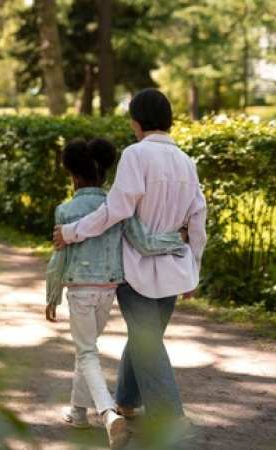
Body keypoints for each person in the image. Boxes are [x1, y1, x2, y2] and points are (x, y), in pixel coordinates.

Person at [53, 88, 207, 444]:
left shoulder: (136, 155)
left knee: (146, 339)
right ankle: (126, 400)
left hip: (136, 268)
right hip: (174, 266)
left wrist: (72, 232)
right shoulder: (187, 161)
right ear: (168, 119)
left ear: (135, 122)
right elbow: (198, 221)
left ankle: (171, 417)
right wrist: (194, 266)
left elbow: (115, 210)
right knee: (146, 336)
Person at [45, 137, 186, 450]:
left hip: (80, 290)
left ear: (75, 177)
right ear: (106, 176)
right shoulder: (119, 207)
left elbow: (59, 259)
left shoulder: (65, 210)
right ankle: (78, 412)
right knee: (88, 348)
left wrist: (52, 295)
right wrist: (178, 241)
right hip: (109, 290)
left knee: (86, 352)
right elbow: (145, 243)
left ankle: (108, 414)